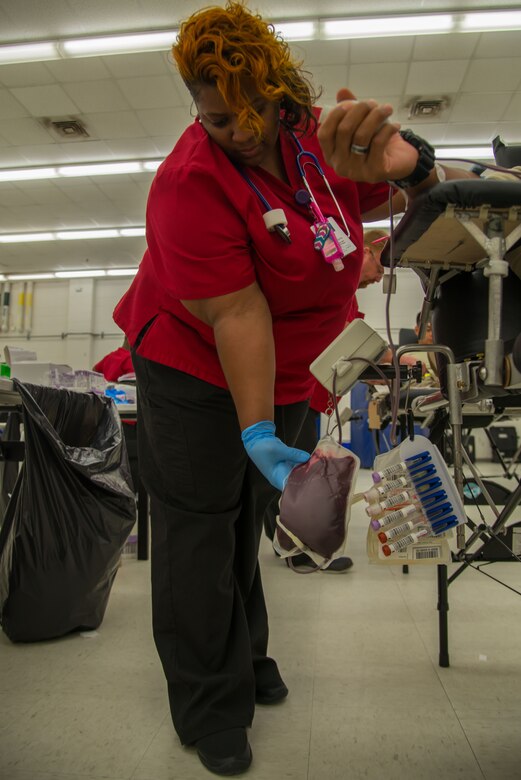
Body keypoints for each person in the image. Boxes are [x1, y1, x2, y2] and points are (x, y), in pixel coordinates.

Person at [112, 3, 476, 774]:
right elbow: (239, 310)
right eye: (217, 119)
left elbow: (412, 196)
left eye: (253, 113)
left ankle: (245, 658)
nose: (240, 132)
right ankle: (209, 701)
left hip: (294, 366)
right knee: (199, 525)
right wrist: (253, 432)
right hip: (193, 362)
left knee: (246, 516)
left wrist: (409, 164)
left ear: (281, 92)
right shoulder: (188, 182)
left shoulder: (319, 135)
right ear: (195, 109)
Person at [264, 227, 389, 572]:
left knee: (293, 466)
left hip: (310, 390)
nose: (379, 278)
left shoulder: (347, 293)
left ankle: (288, 543)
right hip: (294, 385)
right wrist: (388, 356)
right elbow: (343, 340)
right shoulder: (334, 281)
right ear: (364, 251)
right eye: (380, 267)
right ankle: (299, 547)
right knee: (299, 469)